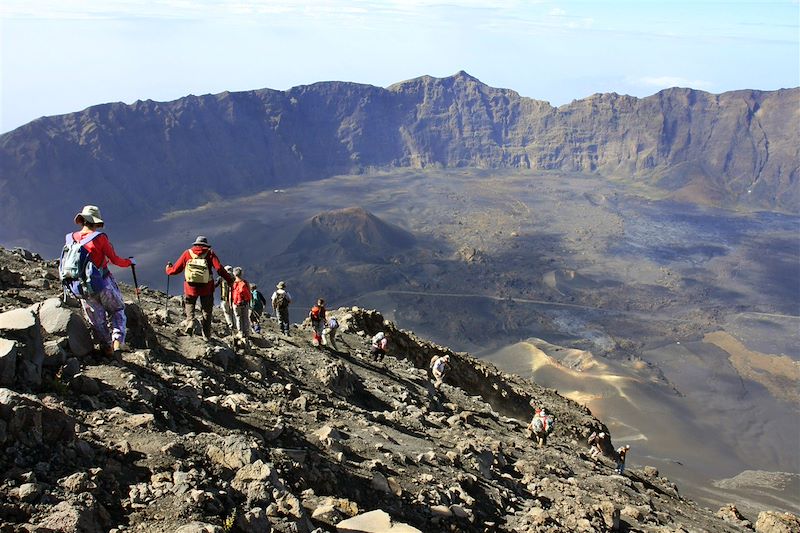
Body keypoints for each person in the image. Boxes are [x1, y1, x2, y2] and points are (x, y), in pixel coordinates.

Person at [62, 205, 133, 357]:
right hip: (103, 283)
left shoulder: (70, 239)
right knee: (117, 310)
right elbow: (115, 259)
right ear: (95, 222)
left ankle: (106, 347)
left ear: (82, 221)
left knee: (97, 319)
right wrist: (129, 262)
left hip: (82, 287)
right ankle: (118, 342)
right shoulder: (100, 238)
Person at [166, 236, 233, 340]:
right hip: (206, 287)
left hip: (190, 287)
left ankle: (191, 321)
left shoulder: (187, 253)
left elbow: (176, 269)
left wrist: (168, 269)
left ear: (195, 244)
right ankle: (206, 335)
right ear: (206, 245)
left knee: (189, 304)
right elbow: (219, 268)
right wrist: (229, 280)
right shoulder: (210, 253)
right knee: (206, 311)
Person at [232, 267, 252, 346]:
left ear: (234, 274)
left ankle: (240, 332)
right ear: (242, 273)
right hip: (244, 303)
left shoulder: (233, 283)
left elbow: (231, 294)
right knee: (245, 317)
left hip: (236, 303)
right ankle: (246, 332)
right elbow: (248, 294)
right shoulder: (245, 283)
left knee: (238, 317)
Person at [216, 265, 236, 334]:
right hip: (234, 299)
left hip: (225, 299)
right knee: (233, 312)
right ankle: (236, 326)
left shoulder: (221, 278)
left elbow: (214, 285)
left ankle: (230, 325)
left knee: (227, 313)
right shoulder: (235, 278)